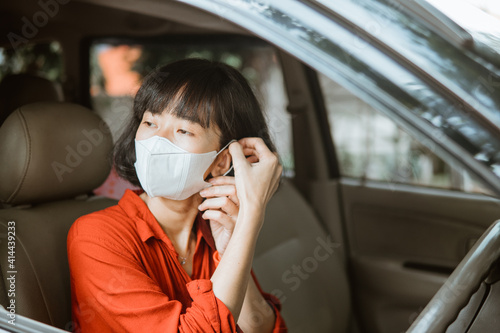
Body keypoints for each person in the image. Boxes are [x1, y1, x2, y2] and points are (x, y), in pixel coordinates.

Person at [67, 58, 287, 333]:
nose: (157, 141)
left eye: (184, 130)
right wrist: (252, 216)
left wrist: (233, 247)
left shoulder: (213, 229)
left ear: (221, 161)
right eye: (150, 122)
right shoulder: (95, 235)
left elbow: (261, 328)